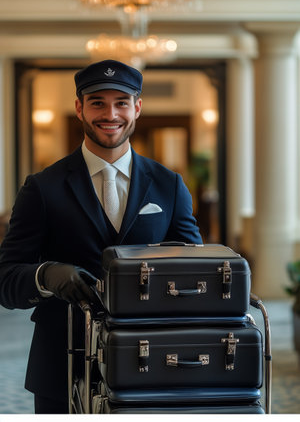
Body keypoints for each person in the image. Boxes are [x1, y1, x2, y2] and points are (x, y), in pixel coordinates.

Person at [0, 59, 202, 414]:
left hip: (152, 359)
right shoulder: (42, 188)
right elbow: (5, 279)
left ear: (137, 107)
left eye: (121, 102)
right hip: (61, 364)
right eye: (97, 103)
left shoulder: (169, 185)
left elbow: (196, 270)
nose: (111, 114)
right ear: (79, 108)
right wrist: (44, 275)